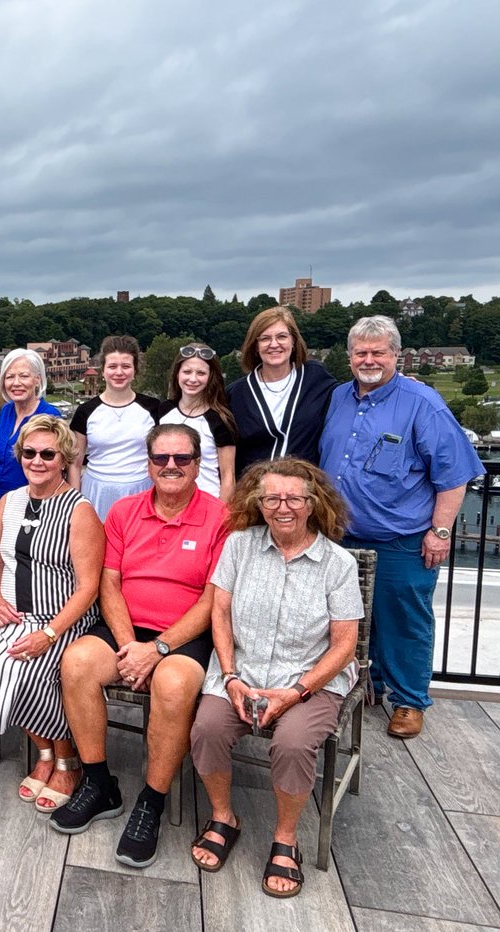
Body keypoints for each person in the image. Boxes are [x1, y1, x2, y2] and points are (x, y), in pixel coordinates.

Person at [52, 424, 227, 871]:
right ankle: (98, 783)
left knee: (171, 686)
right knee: (77, 663)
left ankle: (152, 801)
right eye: (161, 459)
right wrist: (130, 644)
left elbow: (213, 598)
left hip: (186, 635)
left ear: (197, 463)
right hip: (128, 627)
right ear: (148, 464)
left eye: (181, 459)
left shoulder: (221, 517)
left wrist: (160, 649)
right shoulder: (125, 512)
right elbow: (108, 582)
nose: (171, 467)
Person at [190, 458, 364, 897]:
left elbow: (344, 645)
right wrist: (229, 677)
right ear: (258, 501)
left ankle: (285, 837)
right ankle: (224, 816)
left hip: (310, 679)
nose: (282, 507)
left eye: (293, 498)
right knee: (207, 728)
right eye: (271, 498)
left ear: (312, 502)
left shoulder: (337, 563)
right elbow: (221, 613)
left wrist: (296, 691)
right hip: (241, 671)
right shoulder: (239, 545)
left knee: (291, 743)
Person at [319, 315, 482, 738]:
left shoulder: (422, 403)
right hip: (338, 537)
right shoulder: (338, 397)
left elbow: (454, 474)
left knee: (404, 621)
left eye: (378, 352)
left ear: (395, 355)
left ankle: (409, 700)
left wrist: (441, 531)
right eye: (361, 352)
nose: (368, 359)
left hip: (401, 540)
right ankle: (365, 683)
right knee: (348, 620)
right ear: (350, 356)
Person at [0, 415, 104, 812]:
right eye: (30, 453)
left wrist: (50, 632)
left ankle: (68, 762)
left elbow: (89, 587)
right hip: (14, 615)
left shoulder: (79, 511)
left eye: (48, 453)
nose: (38, 460)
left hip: (62, 618)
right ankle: (45, 754)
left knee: (35, 670)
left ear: (64, 459)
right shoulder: (9, 502)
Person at [227, 306, 336, 477]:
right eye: (265, 338)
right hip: (253, 493)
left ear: (293, 342)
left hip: (304, 492)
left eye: (281, 337)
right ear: (255, 346)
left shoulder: (316, 378)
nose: (274, 344)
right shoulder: (236, 394)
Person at [69, 335, 158, 521]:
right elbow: (75, 464)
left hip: (141, 490)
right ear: (103, 370)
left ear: (135, 371)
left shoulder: (153, 408)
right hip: (97, 492)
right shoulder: (86, 411)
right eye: (112, 366)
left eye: (126, 366)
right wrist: (74, 504)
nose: (119, 372)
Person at [0, 348, 61, 527]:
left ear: (37, 379)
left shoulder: (49, 416)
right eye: (10, 377)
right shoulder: (6, 411)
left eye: (24, 376)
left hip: (33, 506)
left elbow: (57, 462)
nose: (16, 383)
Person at [157, 343, 237, 501]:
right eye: (187, 372)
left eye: (201, 373)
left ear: (210, 376)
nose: (193, 379)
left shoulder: (220, 419)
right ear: (177, 374)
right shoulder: (163, 412)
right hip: (168, 502)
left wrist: (221, 516)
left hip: (207, 503)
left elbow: (228, 476)